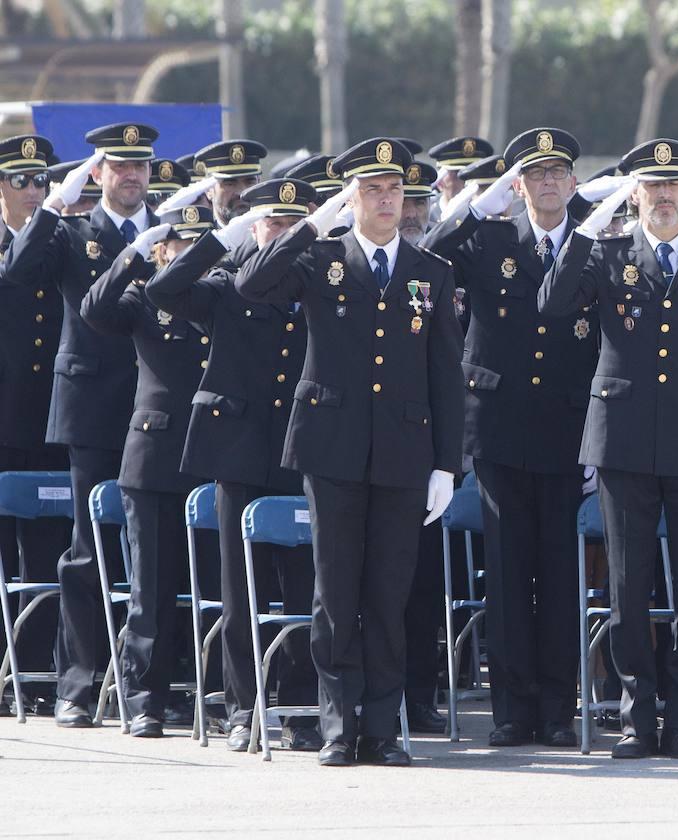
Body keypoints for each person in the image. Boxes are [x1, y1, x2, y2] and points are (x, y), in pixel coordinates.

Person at [236, 138, 464, 768]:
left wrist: (448, 462)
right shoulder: (319, 257)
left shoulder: (430, 273)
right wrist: (313, 221)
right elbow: (254, 283)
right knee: (335, 594)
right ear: (352, 197)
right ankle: (339, 726)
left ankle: (382, 730)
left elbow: (446, 374)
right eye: (371, 190)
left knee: (389, 595)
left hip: (404, 452)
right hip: (332, 449)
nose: (386, 201)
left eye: (394, 190)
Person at [539, 138, 678, 760]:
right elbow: (551, 304)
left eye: (674, 186)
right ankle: (638, 718)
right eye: (652, 187)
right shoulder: (606, 255)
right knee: (628, 592)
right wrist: (587, 227)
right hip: (624, 443)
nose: (663, 196)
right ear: (635, 194)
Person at [422, 127, 598, 748]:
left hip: (568, 430)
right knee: (506, 572)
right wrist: (475, 203)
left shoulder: (594, 242)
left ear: (573, 183)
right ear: (517, 185)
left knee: (557, 575)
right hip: (497, 427)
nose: (548, 183)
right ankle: (510, 710)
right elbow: (430, 251)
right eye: (535, 174)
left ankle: (556, 708)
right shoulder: (490, 237)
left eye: (558, 173)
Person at [145, 177, 322, 752]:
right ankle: (244, 707)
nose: (283, 234)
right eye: (273, 223)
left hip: (300, 451)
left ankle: (299, 709)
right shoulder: (225, 283)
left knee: (302, 589)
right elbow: (165, 291)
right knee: (240, 592)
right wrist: (220, 239)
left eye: (294, 225)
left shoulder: (317, 280)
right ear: (253, 225)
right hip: (237, 450)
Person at [0, 124, 159, 728]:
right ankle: (80, 684)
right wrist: (56, 203)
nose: (132, 177)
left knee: (153, 554)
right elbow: (15, 272)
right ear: (98, 173)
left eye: (140, 166)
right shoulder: (71, 232)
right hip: (93, 408)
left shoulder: (166, 235)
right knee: (88, 552)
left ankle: (150, 691)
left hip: (156, 411)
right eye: (120, 167)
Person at [79, 205, 215, 737]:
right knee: (151, 591)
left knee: (210, 587)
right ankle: (145, 700)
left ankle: (207, 692)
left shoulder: (219, 294)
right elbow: (94, 309)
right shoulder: (141, 295)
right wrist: (130, 255)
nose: (190, 253)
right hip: (155, 456)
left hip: (210, 455)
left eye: (201, 243)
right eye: (180, 243)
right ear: (163, 249)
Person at [0, 134, 71, 716]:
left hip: (49, 423)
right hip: (2, 423)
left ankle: (38, 673)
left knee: (46, 553)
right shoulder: (14, 248)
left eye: (40, 181)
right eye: (20, 181)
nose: (33, 191)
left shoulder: (57, 240)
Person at [193, 139, 266, 226]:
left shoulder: (276, 237)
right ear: (209, 190)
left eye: (249, 182)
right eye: (230, 184)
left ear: (259, 182)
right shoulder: (201, 239)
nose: (241, 193)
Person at [427, 136, 493, 226]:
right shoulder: (427, 217)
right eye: (459, 175)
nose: (468, 182)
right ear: (440, 182)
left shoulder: (489, 216)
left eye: (474, 175)